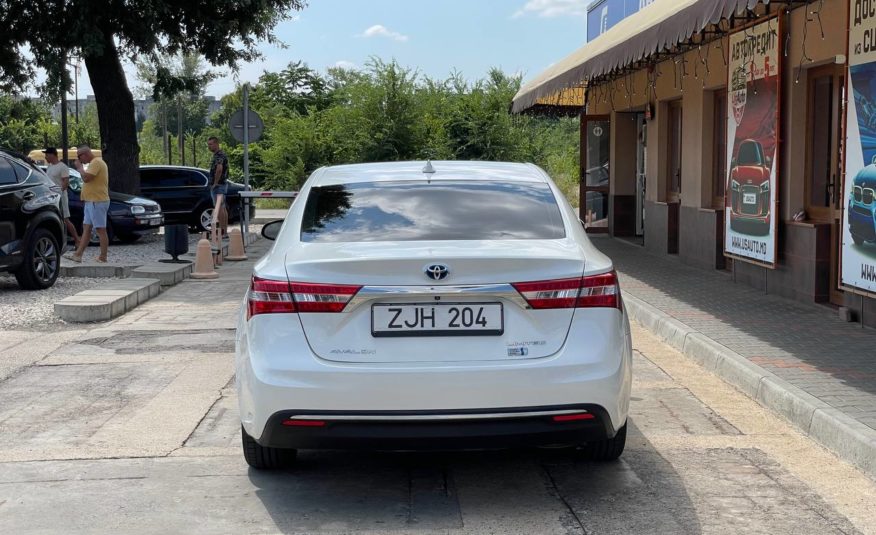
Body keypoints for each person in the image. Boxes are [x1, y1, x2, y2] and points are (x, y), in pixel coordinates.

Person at [64, 145, 110, 263]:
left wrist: (80, 168)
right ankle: (78, 254)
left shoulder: (96, 162)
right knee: (86, 228)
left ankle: (103, 257)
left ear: (85, 154)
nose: (79, 160)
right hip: (91, 201)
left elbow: (86, 178)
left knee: (100, 229)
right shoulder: (94, 163)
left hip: (97, 201)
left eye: (79, 157)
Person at [44, 148, 80, 246]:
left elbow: (66, 182)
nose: (45, 157)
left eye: (47, 155)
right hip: (50, 197)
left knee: (65, 219)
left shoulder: (62, 167)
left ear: (52, 155)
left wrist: (59, 192)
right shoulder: (49, 167)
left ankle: (77, 240)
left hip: (61, 197)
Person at [207, 136, 229, 260]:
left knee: (219, 208)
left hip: (219, 185)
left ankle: (221, 231)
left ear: (216, 144)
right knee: (223, 208)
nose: (209, 146)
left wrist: (215, 182)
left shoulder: (219, 155)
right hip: (222, 184)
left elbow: (219, 169)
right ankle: (224, 232)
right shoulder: (220, 154)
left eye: (210, 144)